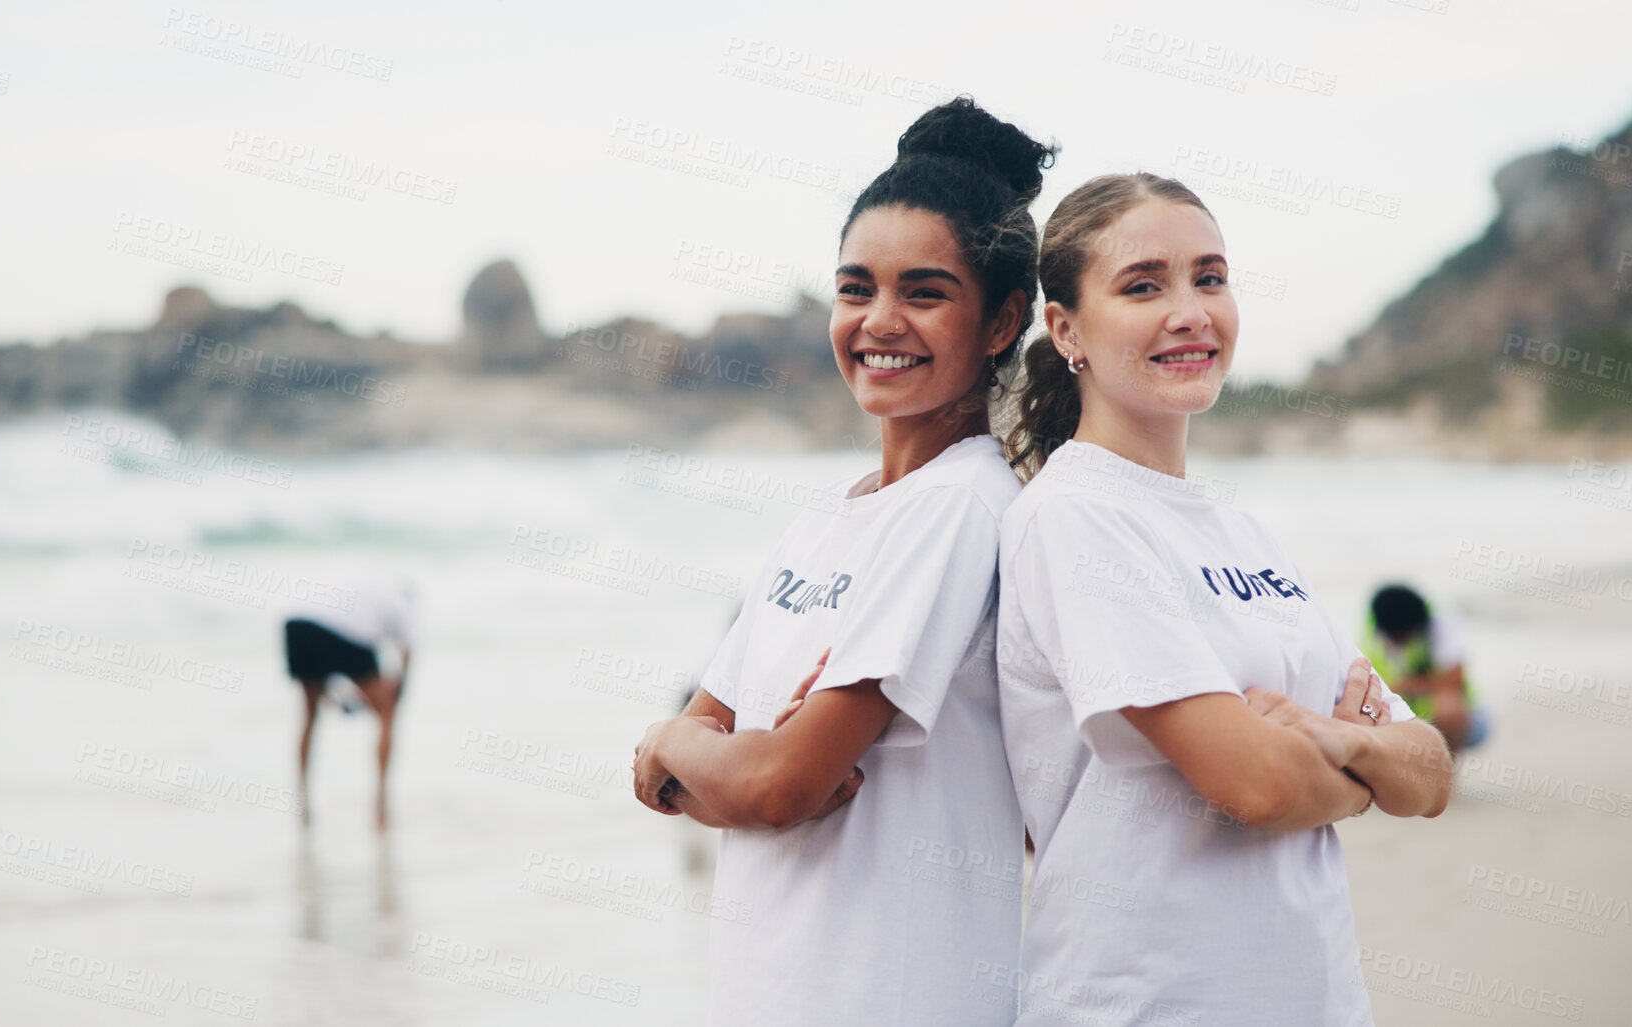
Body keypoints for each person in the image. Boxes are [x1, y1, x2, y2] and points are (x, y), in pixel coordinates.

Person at [631, 96, 1052, 1026]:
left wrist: (677, 746)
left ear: (1000, 321)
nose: (879, 320)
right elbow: (711, 772)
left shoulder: (963, 507)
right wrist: (710, 759)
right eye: (856, 288)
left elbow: (779, 785)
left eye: (925, 292)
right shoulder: (829, 517)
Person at [996, 173, 1453, 1026]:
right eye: (1143, 285)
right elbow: (1255, 784)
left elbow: (1429, 773)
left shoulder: (1241, 534)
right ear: (1065, 329)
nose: (1190, 310)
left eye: (1208, 277)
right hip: (1145, 1002)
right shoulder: (1071, 519)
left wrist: (1322, 736)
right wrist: (1361, 761)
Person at [283, 583, 420, 828]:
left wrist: (349, 698)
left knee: (309, 714)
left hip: (296, 625)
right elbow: (406, 658)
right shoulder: (404, 606)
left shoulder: (370, 595)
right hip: (343, 631)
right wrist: (394, 694)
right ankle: (380, 805)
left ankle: (302, 801)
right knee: (387, 713)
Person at [1361, 583, 1487, 751]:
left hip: (1466, 720)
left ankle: (1443, 768)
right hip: (1400, 718)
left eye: (1401, 637)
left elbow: (1454, 681)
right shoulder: (1373, 629)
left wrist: (1404, 686)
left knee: (1448, 707)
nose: (1396, 642)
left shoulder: (1441, 623)